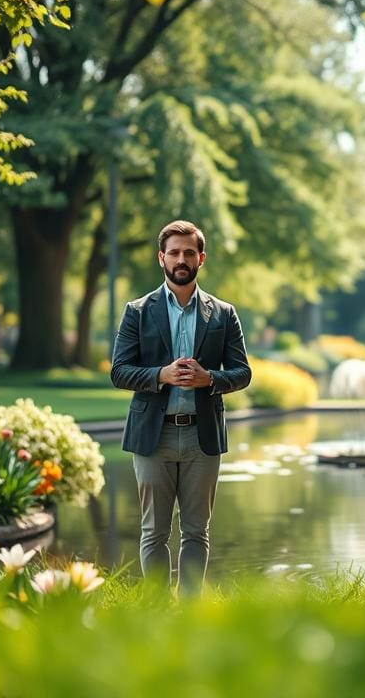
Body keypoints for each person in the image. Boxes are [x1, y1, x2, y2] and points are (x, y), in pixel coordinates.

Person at [111, 220, 251, 593]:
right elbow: (119, 372)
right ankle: (157, 613)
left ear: (201, 258)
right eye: (174, 252)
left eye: (189, 252)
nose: (181, 259)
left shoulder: (223, 313)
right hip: (152, 437)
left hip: (201, 437)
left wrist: (211, 380)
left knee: (196, 532)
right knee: (153, 533)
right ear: (162, 258)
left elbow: (243, 372)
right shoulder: (138, 311)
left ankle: (189, 616)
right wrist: (162, 375)